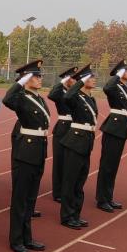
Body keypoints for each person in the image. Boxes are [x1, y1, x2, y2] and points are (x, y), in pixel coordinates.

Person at [3, 59, 50, 252]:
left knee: (31, 198)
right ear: (26, 78)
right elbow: (7, 99)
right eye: (35, 76)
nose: (40, 79)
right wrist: (21, 81)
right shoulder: (21, 98)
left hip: (38, 151)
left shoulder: (39, 98)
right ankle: (16, 240)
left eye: (40, 75)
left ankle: (27, 237)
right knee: (20, 198)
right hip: (25, 153)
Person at [60, 64, 98, 230]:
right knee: (71, 181)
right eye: (90, 77)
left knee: (79, 182)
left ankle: (75, 213)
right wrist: (80, 82)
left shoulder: (90, 98)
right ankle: (67, 216)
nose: (94, 79)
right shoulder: (75, 97)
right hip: (75, 143)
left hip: (86, 142)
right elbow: (67, 96)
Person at [96, 60, 127, 212]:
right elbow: (106, 87)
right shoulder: (114, 87)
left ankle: (108, 197)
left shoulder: (126, 87)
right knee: (107, 165)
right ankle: (102, 199)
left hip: (121, 129)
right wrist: (117, 76)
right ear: (120, 73)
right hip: (113, 129)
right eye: (126, 70)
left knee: (113, 166)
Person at [47, 66, 78, 203]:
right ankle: (58, 192)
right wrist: (62, 82)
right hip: (63, 128)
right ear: (67, 79)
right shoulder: (60, 92)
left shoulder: (74, 92)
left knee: (71, 161)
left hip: (74, 127)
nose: (76, 80)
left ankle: (68, 189)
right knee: (60, 161)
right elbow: (51, 95)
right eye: (73, 78)